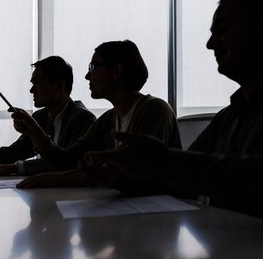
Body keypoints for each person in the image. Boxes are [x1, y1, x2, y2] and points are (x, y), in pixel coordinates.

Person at [80, 0, 263, 238]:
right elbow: (182, 181)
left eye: (222, 29)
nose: (210, 44)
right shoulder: (230, 116)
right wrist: (121, 177)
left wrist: (165, 163)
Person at [11, 39, 181, 189]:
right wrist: (33, 130)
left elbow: (138, 176)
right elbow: (66, 161)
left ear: (116, 71)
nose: (87, 76)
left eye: (93, 67)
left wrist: (63, 178)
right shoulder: (107, 120)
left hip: (159, 217)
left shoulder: (156, 110)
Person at [0, 56, 96, 176]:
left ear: (59, 85)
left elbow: (66, 162)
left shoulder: (84, 120)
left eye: (37, 82)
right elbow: (12, 153)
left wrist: (12, 168)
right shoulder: (41, 117)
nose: (31, 90)